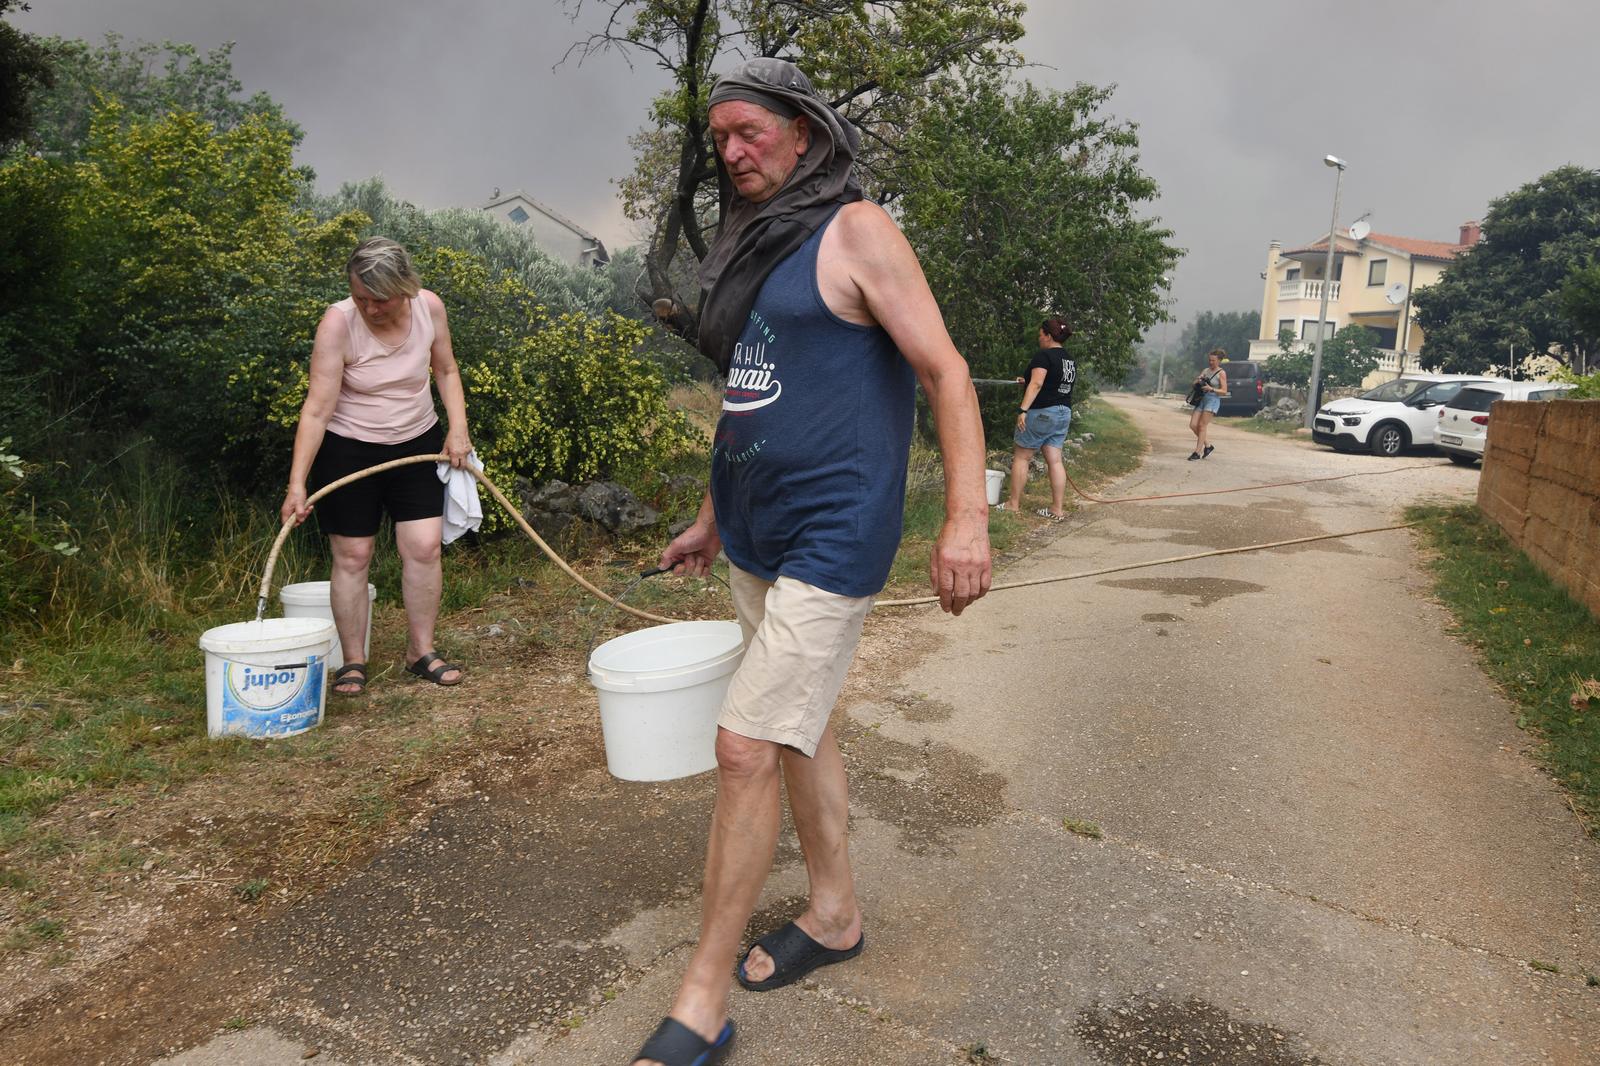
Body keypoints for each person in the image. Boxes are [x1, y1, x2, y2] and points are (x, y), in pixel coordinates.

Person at [633, 58, 991, 1066]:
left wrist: (966, 516)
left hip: (835, 534)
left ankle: (699, 1001)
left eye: (750, 132)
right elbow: (750, 394)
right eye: (721, 144)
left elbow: (946, 370)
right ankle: (833, 914)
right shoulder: (753, 244)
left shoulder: (857, 231)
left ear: (804, 130)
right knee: (801, 727)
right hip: (754, 529)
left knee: (745, 744)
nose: (735, 154)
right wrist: (710, 514)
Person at [279, 237, 472, 696]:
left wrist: (457, 429)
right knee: (353, 555)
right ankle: (353, 661)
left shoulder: (429, 308)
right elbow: (317, 410)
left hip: (416, 443)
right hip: (350, 450)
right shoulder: (338, 324)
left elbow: (446, 370)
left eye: (379, 299)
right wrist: (297, 484)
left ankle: (420, 652)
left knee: (424, 547)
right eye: (360, 297)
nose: (369, 308)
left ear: (404, 288)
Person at [999, 316, 1077, 520]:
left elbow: (1038, 385)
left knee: (1022, 457)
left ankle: (1013, 504)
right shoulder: (1068, 359)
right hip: (1063, 413)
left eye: (1040, 335)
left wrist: (1023, 410)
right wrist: (1028, 380)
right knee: (1055, 461)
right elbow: (1049, 381)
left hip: (1042, 412)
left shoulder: (1044, 356)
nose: (1039, 338)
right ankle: (1057, 510)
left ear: (1049, 336)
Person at [1188, 348, 1229, 460]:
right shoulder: (1206, 370)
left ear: (1219, 360)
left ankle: (1197, 452)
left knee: (1202, 426)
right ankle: (1208, 446)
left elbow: (1224, 391)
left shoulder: (1221, 373)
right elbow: (1195, 383)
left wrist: (1211, 388)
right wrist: (1198, 380)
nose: (1211, 362)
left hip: (1213, 399)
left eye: (1213, 360)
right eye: (1210, 360)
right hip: (1201, 398)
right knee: (1193, 425)